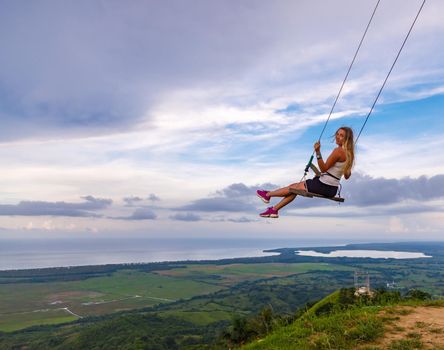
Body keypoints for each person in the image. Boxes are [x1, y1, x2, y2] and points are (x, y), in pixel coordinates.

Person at [256, 127, 355, 218]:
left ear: (347, 139)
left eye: (341, 136)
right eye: (337, 134)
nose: (338, 137)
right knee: (294, 188)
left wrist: (317, 152)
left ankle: (268, 195)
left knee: (293, 188)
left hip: (323, 185)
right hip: (332, 189)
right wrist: (346, 167)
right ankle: (273, 209)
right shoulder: (350, 154)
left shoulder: (338, 151)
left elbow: (323, 169)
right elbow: (346, 176)